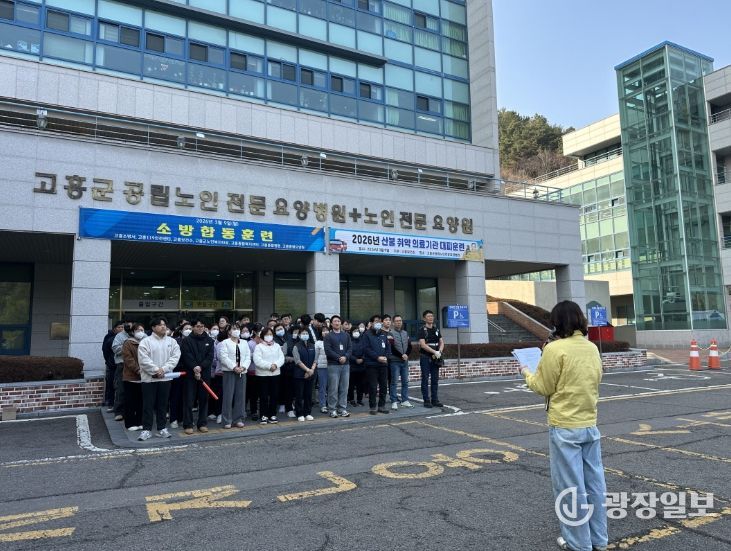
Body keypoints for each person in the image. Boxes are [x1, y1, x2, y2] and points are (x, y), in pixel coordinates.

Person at [518, 301, 608, 551]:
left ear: (556, 323)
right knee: (594, 484)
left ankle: (578, 543)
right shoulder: (591, 348)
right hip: (589, 423)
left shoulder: (554, 349)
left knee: (570, 487)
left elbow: (542, 386)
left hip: (564, 425)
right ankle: (599, 539)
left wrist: (526, 371)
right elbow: (597, 377)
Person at [137, 318, 180, 441]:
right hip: (149, 379)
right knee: (148, 405)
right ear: (153, 327)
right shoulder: (146, 342)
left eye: (164, 324)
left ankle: (162, 428)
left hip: (165, 378)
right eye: (160, 325)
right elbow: (143, 360)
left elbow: (175, 357)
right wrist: (156, 370)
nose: (163, 327)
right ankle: (146, 429)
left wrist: (164, 369)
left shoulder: (172, 341)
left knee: (163, 405)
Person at [180, 319, 214, 434]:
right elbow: (186, 355)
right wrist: (194, 367)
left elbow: (210, 357)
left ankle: (202, 423)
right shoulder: (187, 340)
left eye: (202, 326)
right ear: (193, 327)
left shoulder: (209, 340)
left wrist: (200, 367)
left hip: (204, 373)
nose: (200, 328)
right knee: (189, 400)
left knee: (204, 399)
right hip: (190, 374)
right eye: (198, 326)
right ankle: (188, 424)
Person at [218, 323, 250, 429]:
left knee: (241, 396)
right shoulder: (225, 343)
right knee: (228, 396)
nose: (236, 330)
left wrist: (243, 367)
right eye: (233, 329)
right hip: (229, 371)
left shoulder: (244, 343)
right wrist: (234, 367)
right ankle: (227, 420)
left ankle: (238, 419)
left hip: (242, 371)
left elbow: (248, 357)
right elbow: (223, 357)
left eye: (237, 328)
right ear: (229, 331)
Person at [253, 327, 285, 424]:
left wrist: (275, 365)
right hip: (262, 375)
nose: (269, 336)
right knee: (263, 396)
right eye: (267, 334)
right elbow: (257, 360)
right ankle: (264, 415)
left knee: (274, 395)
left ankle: (272, 414)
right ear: (263, 336)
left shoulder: (277, 346)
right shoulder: (259, 347)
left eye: (270, 334)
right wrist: (269, 366)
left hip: (275, 374)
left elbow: (281, 358)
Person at [324, 315, 352, 418]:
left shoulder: (346, 335)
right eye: (335, 321)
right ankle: (332, 409)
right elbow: (328, 350)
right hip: (333, 365)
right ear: (331, 324)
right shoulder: (328, 336)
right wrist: (338, 357)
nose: (337, 323)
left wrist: (345, 357)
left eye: (338, 321)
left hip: (346, 365)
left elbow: (350, 348)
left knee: (344, 388)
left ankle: (342, 409)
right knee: (333, 388)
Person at [363, 315, 391, 415]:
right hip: (372, 364)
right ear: (371, 323)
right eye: (376, 321)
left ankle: (381, 406)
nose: (378, 323)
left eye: (379, 321)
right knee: (373, 387)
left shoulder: (383, 334)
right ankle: (373, 407)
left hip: (383, 364)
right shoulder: (367, 334)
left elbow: (388, 347)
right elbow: (366, 349)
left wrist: (386, 357)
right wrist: (377, 357)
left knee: (384, 386)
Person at [121, 323, 145, 431]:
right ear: (133, 332)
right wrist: (138, 370)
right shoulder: (128, 343)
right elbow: (128, 359)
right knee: (130, 401)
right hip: (130, 377)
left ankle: (140, 421)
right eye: (138, 330)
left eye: (142, 330)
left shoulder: (145, 342)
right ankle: (130, 423)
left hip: (143, 377)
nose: (140, 332)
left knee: (141, 401)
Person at [418, 310, 444, 408]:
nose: (431, 318)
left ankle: (435, 399)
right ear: (424, 318)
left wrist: (439, 352)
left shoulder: (436, 329)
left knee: (435, 379)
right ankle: (426, 400)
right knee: (425, 379)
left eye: (432, 316)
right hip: (425, 357)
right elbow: (423, 345)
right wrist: (434, 352)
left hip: (435, 357)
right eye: (428, 316)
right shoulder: (422, 330)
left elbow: (442, 342)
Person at [168, 322, 191, 429]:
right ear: (181, 330)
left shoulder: (193, 340)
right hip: (177, 371)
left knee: (187, 396)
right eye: (186, 328)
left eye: (190, 328)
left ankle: (183, 418)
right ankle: (174, 418)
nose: (188, 330)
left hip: (190, 371)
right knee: (175, 395)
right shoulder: (176, 341)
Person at [292, 326, 317, 421]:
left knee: (308, 394)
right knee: (299, 395)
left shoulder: (312, 345)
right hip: (299, 374)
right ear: (299, 335)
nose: (305, 335)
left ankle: (307, 412)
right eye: (303, 333)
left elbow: (315, 359)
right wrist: (307, 370)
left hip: (310, 373)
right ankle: (299, 413)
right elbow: (297, 361)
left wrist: (312, 370)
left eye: (306, 333)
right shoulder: (296, 346)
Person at [389, 315, 414, 410]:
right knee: (394, 382)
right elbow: (391, 347)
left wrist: (406, 354)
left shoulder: (405, 333)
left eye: (400, 320)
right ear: (393, 323)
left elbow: (410, 346)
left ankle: (405, 400)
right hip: (395, 361)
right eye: (396, 321)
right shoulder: (390, 333)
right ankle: (394, 401)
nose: (399, 322)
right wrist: (401, 355)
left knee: (405, 382)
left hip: (404, 361)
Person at [110, 321, 132, 421]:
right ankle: (118, 411)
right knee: (120, 388)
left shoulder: (138, 334)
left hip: (136, 365)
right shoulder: (120, 336)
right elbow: (115, 349)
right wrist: (127, 346)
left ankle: (130, 411)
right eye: (128, 325)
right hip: (122, 364)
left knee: (133, 389)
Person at [274, 323, 296, 418]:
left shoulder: (289, 337)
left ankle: (289, 405)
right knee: (281, 387)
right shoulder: (274, 339)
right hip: (279, 366)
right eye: (277, 329)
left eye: (281, 328)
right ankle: (282, 403)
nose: (280, 330)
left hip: (290, 367)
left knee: (290, 388)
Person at [102, 320, 124, 411]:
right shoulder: (109, 337)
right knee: (111, 384)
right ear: (114, 329)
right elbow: (105, 351)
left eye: (122, 327)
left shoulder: (125, 337)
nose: (121, 329)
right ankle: (110, 403)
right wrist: (109, 362)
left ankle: (120, 405)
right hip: (112, 365)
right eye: (119, 327)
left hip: (122, 365)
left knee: (120, 386)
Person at [208, 325, 225, 424]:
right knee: (213, 393)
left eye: (217, 329)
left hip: (221, 372)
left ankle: (219, 412)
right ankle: (213, 412)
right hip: (213, 372)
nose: (216, 331)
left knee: (219, 393)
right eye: (214, 329)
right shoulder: (212, 342)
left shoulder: (222, 343)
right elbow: (213, 359)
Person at [246, 323, 261, 420]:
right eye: (260, 330)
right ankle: (253, 411)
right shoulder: (250, 343)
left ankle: (261, 411)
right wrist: (257, 354)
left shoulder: (264, 342)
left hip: (263, 371)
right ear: (255, 332)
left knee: (261, 392)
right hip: (252, 371)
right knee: (253, 393)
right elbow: (248, 356)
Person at [348, 326, 366, 407]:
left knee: (360, 384)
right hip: (352, 366)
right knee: (351, 384)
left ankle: (359, 400)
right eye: (354, 331)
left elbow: (365, 351)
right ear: (351, 332)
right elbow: (348, 352)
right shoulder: (349, 341)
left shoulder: (362, 341)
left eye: (357, 331)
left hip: (362, 365)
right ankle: (351, 399)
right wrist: (355, 359)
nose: (356, 332)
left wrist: (362, 359)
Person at [315, 325, 329, 413]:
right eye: (323, 331)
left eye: (327, 330)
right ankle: (323, 405)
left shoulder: (333, 341)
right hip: (321, 367)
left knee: (332, 387)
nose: (325, 332)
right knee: (322, 387)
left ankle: (331, 403)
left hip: (332, 366)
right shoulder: (318, 343)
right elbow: (316, 356)